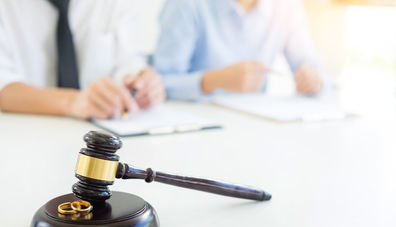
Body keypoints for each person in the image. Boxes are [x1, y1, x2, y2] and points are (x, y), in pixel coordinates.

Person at [0, 0, 165, 119]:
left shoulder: (115, 4)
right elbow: (4, 88)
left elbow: (130, 63)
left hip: (102, 131)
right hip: (24, 132)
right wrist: (74, 102)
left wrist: (142, 84)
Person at [154, 0, 328, 101]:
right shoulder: (186, 4)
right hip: (196, 125)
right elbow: (158, 85)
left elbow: (314, 68)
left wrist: (313, 79)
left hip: (255, 126)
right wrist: (211, 80)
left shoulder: (286, 6)